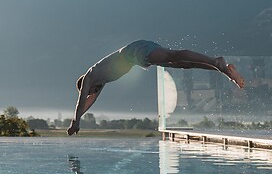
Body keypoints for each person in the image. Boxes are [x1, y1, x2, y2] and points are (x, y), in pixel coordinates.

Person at [67, 39, 245, 136]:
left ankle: (216, 62)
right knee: (182, 64)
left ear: (85, 85)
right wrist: (77, 118)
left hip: (134, 52)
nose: (93, 93)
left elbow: (81, 101)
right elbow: (88, 103)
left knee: (173, 55)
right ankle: (221, 69)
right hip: (137, 57)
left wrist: (76, 121)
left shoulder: (91, 76)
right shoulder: (100, 80)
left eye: (90, 91)